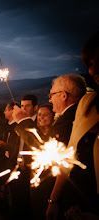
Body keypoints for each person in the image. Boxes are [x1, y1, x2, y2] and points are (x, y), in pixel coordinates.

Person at [13, 74, 87, 219]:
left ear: (64, 95)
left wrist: (24, 122)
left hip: (59, 197)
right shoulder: (72, 116)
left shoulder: (69, 120)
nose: (49, 99)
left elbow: (47, 153)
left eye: (52, 94)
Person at [46, 31, 99, 220]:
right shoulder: (86, 108)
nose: (94, 71)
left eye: (52, 95)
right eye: (90, 65)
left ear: (64, 95)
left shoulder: (74, 117)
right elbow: (71, 155)